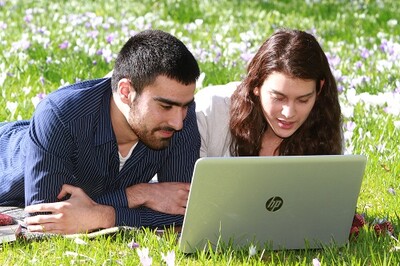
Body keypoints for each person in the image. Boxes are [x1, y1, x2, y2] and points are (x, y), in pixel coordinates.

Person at [0, 29, 201, 234]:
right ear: (126, 92)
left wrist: (105, 215)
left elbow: (186, 211)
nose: (178, 123)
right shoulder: (61, 114)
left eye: (185, 106)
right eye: (165, 107)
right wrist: (138, 195)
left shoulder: (179, 114)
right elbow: (47, 219)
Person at [196, 29, 343, 157]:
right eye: (278, 97)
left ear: (319, 89)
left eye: (303, 100)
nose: (288, 113)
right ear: (256, 85)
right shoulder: (210, 111)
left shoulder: (324, 124)